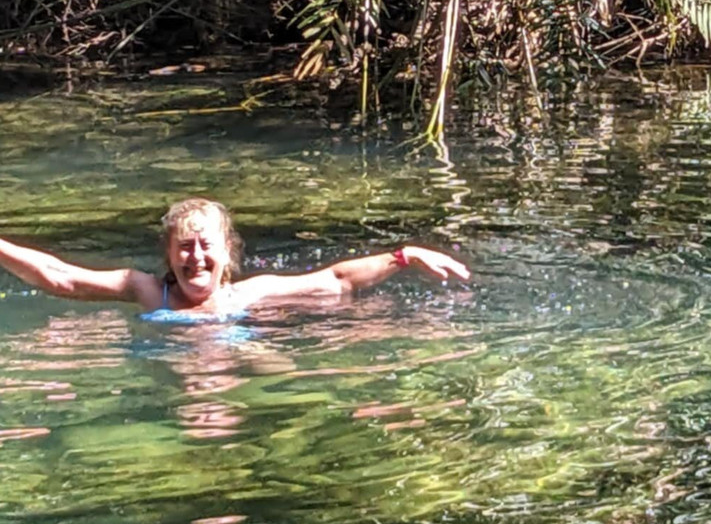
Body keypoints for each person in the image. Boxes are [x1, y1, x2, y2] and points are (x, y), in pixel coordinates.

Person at [0, 197, 470, 315]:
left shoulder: (248, 294)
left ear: (227, 254)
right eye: (184, 245)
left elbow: (337, 280)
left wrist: (404, 256)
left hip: (245, 357)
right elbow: (60, 277)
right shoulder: (146, 290)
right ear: (168, 253)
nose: (196, 257)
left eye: (206, 246)